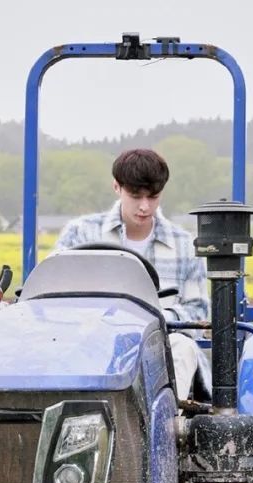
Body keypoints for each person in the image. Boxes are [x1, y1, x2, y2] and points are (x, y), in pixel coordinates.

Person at [53, 148, 208, 401]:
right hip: (92, 341)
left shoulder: (183, 245)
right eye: (135, 196)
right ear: (117, 187)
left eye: (153, 197)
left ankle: (162, 430)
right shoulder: (80, 234)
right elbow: (54, 296)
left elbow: (198, 314)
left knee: (183, 347)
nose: (145, 206)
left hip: (159, 345)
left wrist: (153, 320)